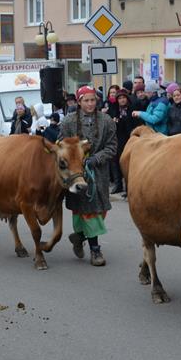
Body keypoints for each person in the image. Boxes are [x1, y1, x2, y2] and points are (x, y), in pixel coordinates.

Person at [61, 86, 117, 267]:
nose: (90, 103)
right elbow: (62, 145)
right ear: (79, 102)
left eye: (93, 100)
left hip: (99, 173)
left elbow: (112, 147)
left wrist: (96, 158)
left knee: (99, 211)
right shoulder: (68, 121)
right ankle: (95, 250)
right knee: (86, 212)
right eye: (86, 100)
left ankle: (79, 237)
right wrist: (77, 158)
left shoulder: (107, 121)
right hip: (77, 174)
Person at [112, 89, 137, 194]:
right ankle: (118, 185)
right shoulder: (115, 111)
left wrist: (123, 120)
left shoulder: (132, 110)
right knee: (117, 162)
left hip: (130, 139)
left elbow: (134, 125)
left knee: (129, 163)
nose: (122, 100)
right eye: (119, 98)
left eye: (123, 98)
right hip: (118, 139)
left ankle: (128, 187)